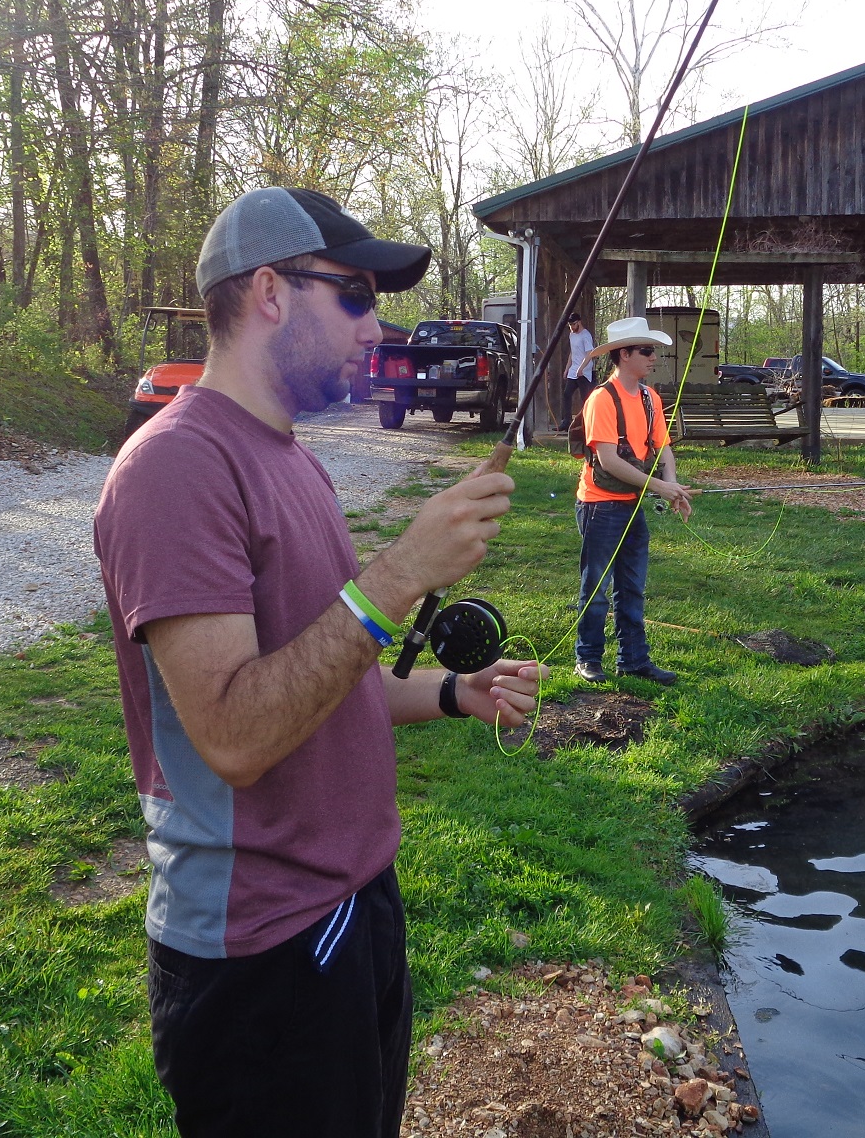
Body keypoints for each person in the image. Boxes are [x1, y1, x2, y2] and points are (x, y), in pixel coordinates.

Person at [93, 186, 544, 1137]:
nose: (376, 325)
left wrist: (454, 693)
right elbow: (236, 734)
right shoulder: (174, 468)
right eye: (355, 294)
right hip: (262, 953)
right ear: (269, 292)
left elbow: (321, 675)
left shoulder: (291, 458)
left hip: (351, 904)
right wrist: (401, 573)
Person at [573, 316, 693, 685]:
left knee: (632, 587)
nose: (653, 357)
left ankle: (634, 660)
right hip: (599, 506)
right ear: (624, 355)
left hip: (629, 504)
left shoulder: (649, 398)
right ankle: (588, 658)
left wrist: (673, 486)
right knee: (596, 589)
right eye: (646, 350)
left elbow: (663, 447)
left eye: (653, 350)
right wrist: (659, 487)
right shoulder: (601, 400)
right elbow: (609, 460)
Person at [558, 313, 595, 432]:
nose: (572, 327)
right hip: (573, 370)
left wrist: (581, 368)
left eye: (573, 324)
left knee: (585, 397)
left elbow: (590, 354)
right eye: (570, 325)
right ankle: (566, 422)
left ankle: (587, 422)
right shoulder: (572, 335)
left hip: (584, 371)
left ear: (579, 322)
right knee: (567, 394)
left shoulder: (585, 335)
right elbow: (572, 353)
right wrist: (567, 369)